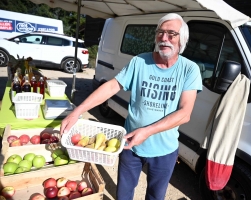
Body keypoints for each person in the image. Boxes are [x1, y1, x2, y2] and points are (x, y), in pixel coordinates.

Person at [60, 13, 202, 200]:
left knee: (155, 196)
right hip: (129, 144)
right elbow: (112, 86)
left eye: (171, 34)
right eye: (160, 32)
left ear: (182, 39)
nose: (164, 38)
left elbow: (185, 113)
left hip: (165, 150)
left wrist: (147, 131)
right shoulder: (139, 61)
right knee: (124, 194)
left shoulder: (189, 69)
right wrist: (77, 111)